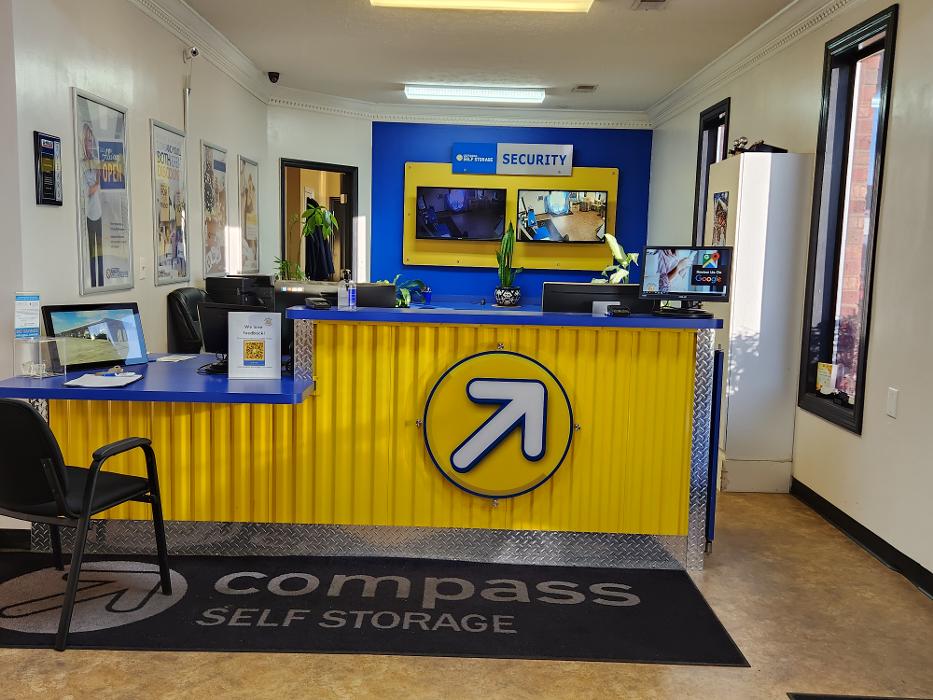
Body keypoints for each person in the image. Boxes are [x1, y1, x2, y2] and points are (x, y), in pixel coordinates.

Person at [81, 123, 103, 287]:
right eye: (87, 141)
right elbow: (86, 191)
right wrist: (95, 184)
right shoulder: (81, 165)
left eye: (91, 141)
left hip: (98, 213)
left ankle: (100, 284)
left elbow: (96, 186)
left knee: (100, 252)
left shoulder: (95, 163)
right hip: (88, 214)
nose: (90, 144)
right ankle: (93, 285)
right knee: (92, 253)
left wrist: (96, 183)